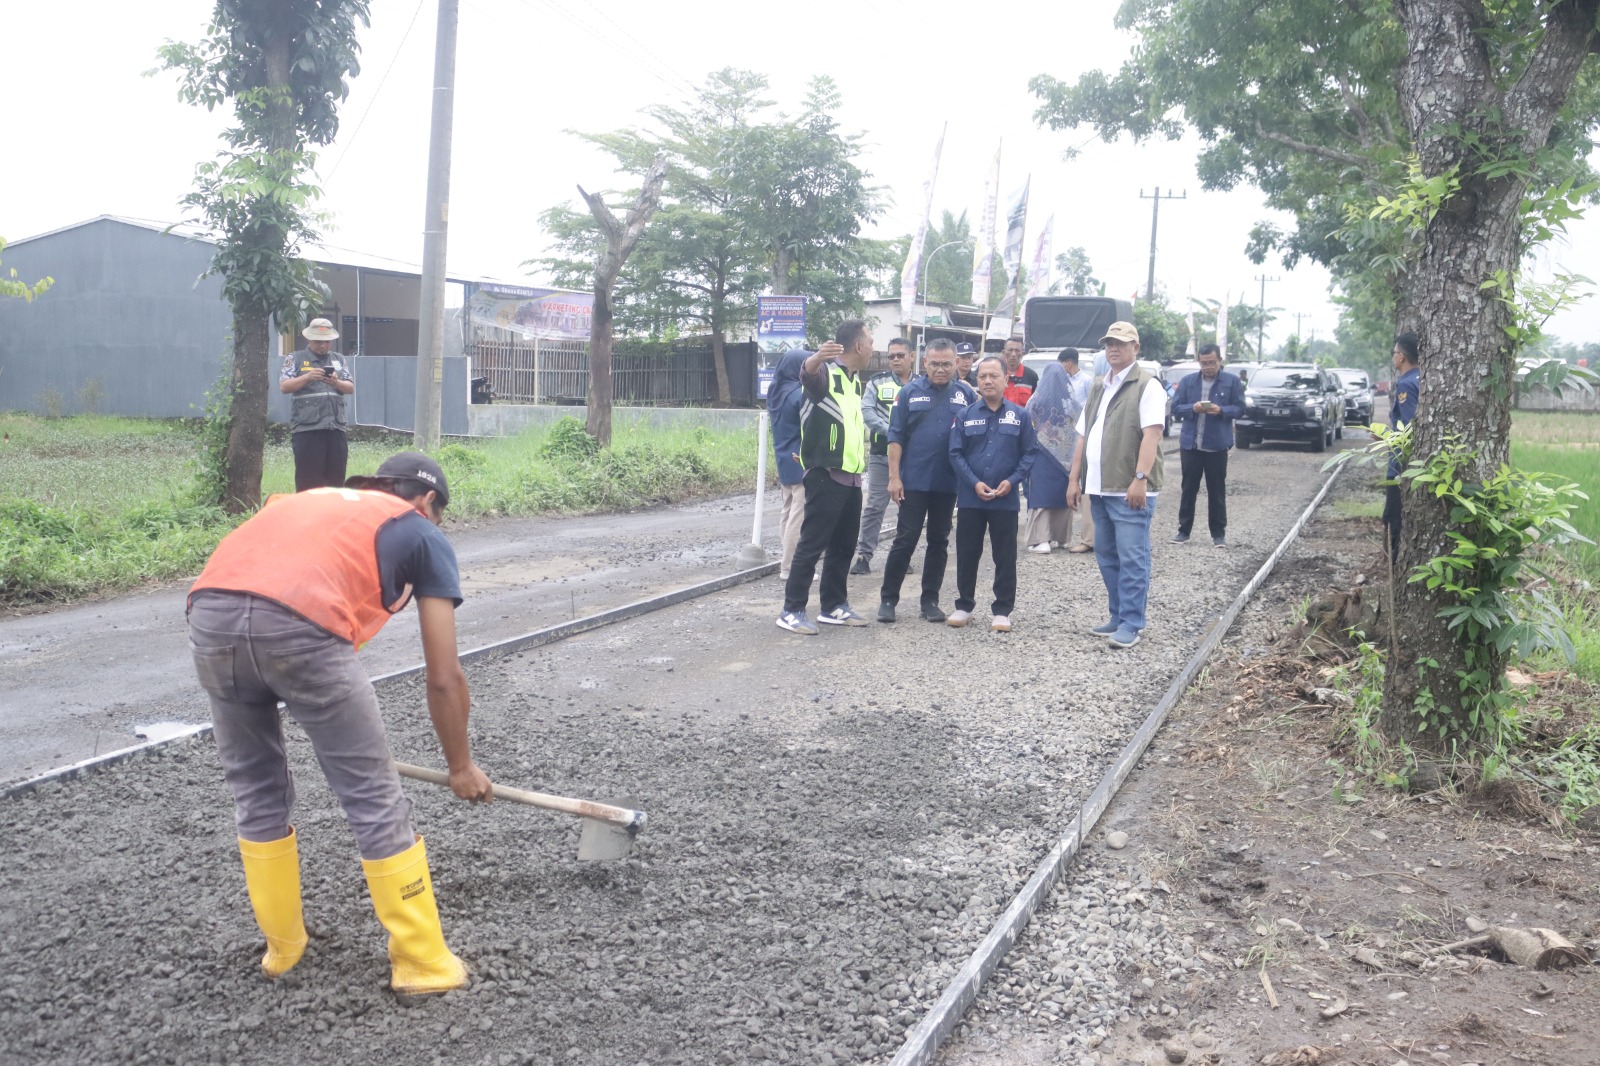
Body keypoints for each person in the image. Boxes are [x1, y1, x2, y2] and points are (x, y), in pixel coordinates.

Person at [186, 452, 493, 995]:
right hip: (301, 625)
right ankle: (422, 964)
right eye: (439, 514)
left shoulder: (305, 500)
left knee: (256, 789)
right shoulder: (419, 530)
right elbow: (444, 675)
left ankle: (283, 950)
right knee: (372, 794)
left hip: (211, 614)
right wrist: (461, 766)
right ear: (426, 502)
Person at [1068, 321, 1167, 649]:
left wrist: (1139, 479)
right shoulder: (1099, 385)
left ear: (1135, 348)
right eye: (1110, 343)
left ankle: (1132, 623)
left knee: (1132, 556)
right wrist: (1074, 479)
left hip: (1129, 489)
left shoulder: (1147, 385)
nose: (1114, 349)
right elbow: (1083, 433)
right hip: (1097, 487)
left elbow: (1151, 435)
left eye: (1121, 344)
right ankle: (1117, 614)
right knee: (1107, 555)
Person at [777, 321, 874, 634]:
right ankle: (791, 610)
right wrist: (816, 358)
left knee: (844, 546)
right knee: (811, 544)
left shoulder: (854, 381)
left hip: (852, 476)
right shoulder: (826, 373)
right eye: (870, 341)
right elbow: (807, 374)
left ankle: (834, 606)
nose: (873, 347)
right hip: (825, 474)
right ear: (858, 346)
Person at [877, 338, 979, 623]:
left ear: (956, 363)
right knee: (905, 540)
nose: (941, 369)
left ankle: (929, 601)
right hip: (914, 482)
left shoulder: (965, 395)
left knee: (939, 541)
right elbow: (895, 437)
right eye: (935, 363)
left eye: (947, 363)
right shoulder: (909, 393)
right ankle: (888, 599)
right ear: (924, 363)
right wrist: (894, 478)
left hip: (948, 483)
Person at [948, 355, 1038, 632]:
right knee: (966, 552)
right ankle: (964, 606)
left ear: (1005, 379)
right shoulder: (965, 415)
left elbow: (1030, 453)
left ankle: (1002, 610)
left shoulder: (1020, 416)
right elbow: (955, 453)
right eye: (983, 376)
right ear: (977, 381)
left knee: (1004, 554)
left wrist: (1012, 481)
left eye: (993, 376)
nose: (988, 381)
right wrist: (973, 483)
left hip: (1005, 498)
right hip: (971, 498)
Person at [1169, 343, 1246, 548]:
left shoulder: (1232, 382)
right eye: (1204, 363)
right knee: (1188, 489)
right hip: (1191, 445)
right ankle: (1183, 531)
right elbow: (1176, 408)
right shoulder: (1188, 382)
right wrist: (1192, 408)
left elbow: (1240, 409)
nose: (1208, 367)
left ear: (1220, 360)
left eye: (1211, 362)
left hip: (1217, 446)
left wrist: (1221, 411)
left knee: (1216, 490)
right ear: (1199, 362)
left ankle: (1218, 534)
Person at [852, 337, 915, 574]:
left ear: (912, 356)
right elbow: (867, 411)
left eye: (900, 355)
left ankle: (902, 556)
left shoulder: (922, 384)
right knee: (875, 506)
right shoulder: (877, 382)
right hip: (881, 454)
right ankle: (864, 556)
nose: (895, 360)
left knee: (908, 508)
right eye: (891, 356)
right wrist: (893, 433)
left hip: (913, 457)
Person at [280, 317, 356, 492]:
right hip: (307, 430)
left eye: (327, 342)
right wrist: (307, 377)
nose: (323, 346)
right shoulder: (295, 358)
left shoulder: (339, 359)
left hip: (335, 428)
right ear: (309, 339)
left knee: (336, 482)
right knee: (308, 482)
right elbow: (284, 386)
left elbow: (350, 388)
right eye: (319, 342)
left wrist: (336, 383)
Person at [1022, 362, 1083, 553]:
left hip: (1040, 455)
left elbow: (1025, 426)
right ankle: (1061, 538)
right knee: (1061, 495)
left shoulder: (1036, 400)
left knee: (1040, 495)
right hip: (1066, 458)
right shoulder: (1073, 403)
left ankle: (1040, 540)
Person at [767, 347, 810, 579]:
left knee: (787, 510)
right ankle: (790, 568)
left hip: (783, 458)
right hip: (800, 458)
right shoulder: (798, 394)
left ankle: (786, 562)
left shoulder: (775, 392)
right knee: (798, 515)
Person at [1383, 331, 1421, 560]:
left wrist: (1386, 438)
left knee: (1394, 518)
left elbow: (1407, 427)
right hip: (1414, 467)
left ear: (1402, 357)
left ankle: (1396, 569)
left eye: (1394, 353)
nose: (1393, 357)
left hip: (1400, 466)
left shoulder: (1406, 385)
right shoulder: (1422, 378)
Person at [1059, 348, 1096, 554]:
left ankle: (1091, 538)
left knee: (1088, 487)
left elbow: (1090, 409)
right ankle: (1087, 537)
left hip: (1084, 436)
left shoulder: (1088, 382)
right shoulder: (1063, 382)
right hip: (1067, 437)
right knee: (1078, 486)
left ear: (1069, 363)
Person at [1001, 336, 1039, 405]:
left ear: (1023, 353)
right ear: (1004, 353)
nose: (1013, 354)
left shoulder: (1031, 376)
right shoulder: (997, 374)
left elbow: (1035, 404)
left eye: (1017, 350)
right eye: (1010, 350)